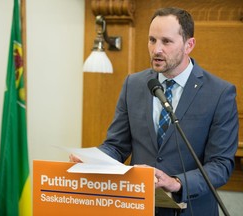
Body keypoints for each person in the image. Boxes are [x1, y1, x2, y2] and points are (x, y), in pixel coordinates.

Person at [71, 7, 238, 216]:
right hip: (138, 207)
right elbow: (117, 145)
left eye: (166, 42)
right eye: (152, 40)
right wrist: (93, 158)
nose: (156, 49)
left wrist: (177, 183)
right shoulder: (134, 84)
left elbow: (221, 165)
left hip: (191, 210)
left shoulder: (219, 93)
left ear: (189, 45)